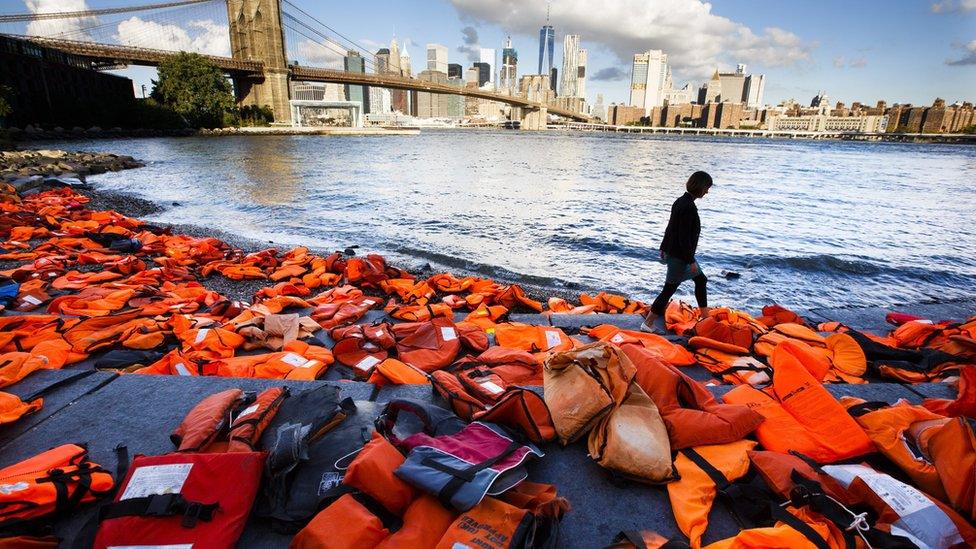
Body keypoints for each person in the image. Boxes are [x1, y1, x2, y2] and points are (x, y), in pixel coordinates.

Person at [641, 171, 713, 333]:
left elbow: (671, 227)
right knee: (669, 289)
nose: (707, 191)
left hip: (677, 253)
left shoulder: (681, 201)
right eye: (707, 188)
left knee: (700, 280)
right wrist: (691, 261)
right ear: (700, 187)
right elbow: (682, 237)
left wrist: (663, 246)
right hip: (680, 256)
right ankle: (648, 323)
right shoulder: (688, 207)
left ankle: (705, 317)